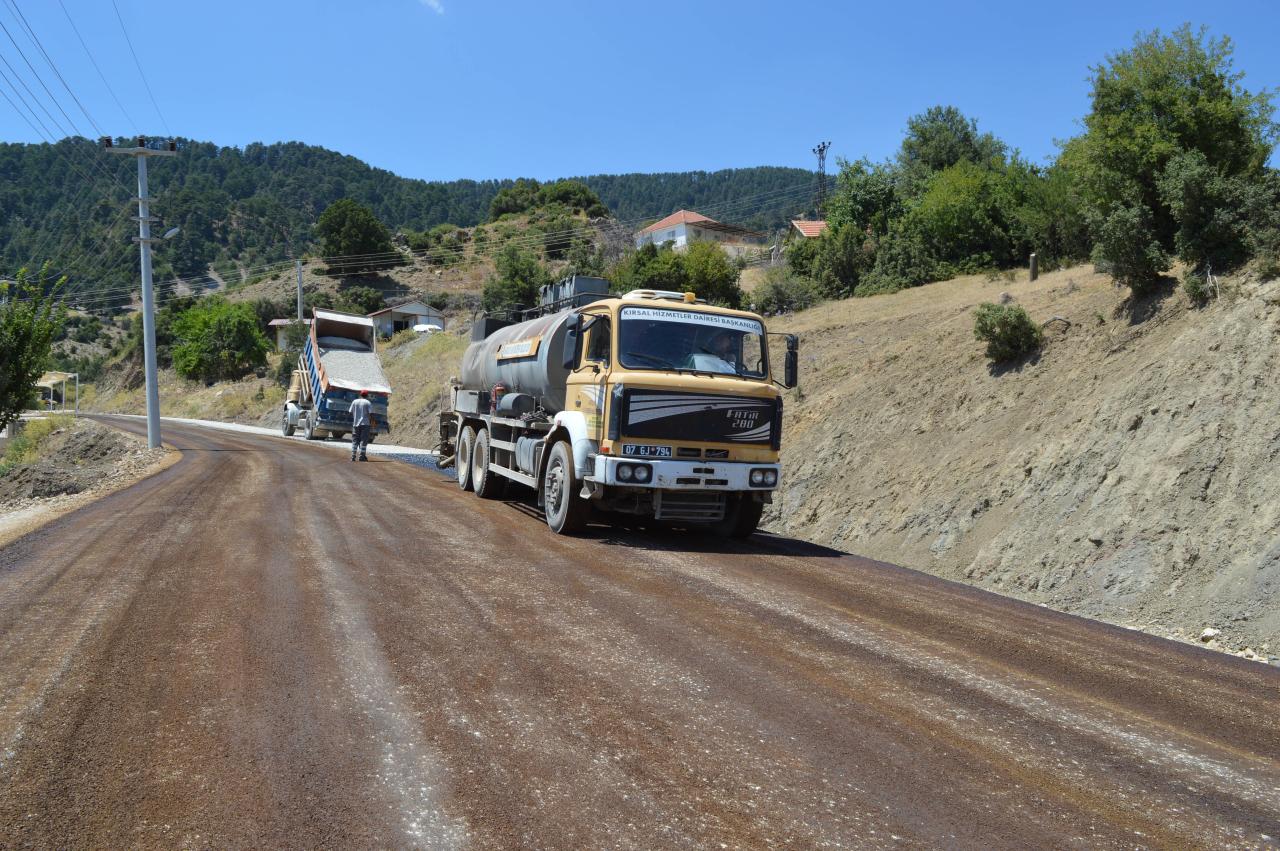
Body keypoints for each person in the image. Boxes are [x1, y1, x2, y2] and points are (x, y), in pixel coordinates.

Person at [349, 389, 372, 462]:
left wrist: (355, 417)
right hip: (365, 424)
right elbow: (369, 414)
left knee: (355, 440)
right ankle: (362, 456)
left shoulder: (354, 401)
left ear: (360, 394)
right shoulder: (368, 403)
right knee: (363, 440)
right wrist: (372, 421)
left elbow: (350, 411)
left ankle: (353, 456)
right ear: (367, 395)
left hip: (355, 424)